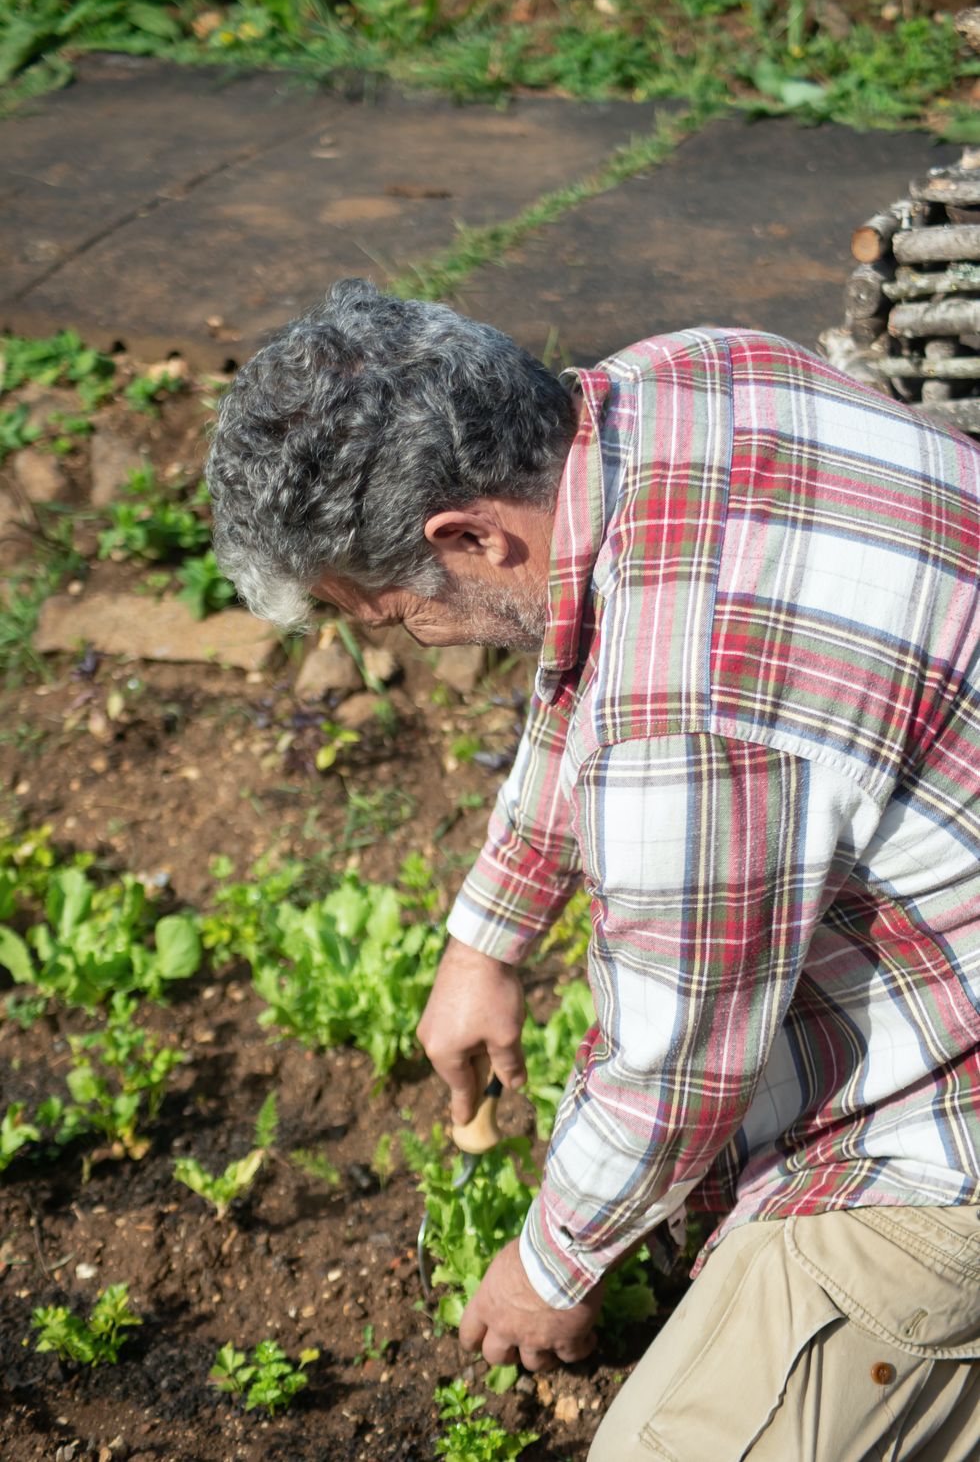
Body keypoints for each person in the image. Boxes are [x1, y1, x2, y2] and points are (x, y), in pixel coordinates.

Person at [206, 278, 980, 1461]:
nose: (409, 641)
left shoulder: (688, 717)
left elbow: (673, 1072)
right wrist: (487, 936)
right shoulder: (682, 381)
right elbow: (586, 650)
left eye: (391, 616)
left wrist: (549, 1263)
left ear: (466, 536)